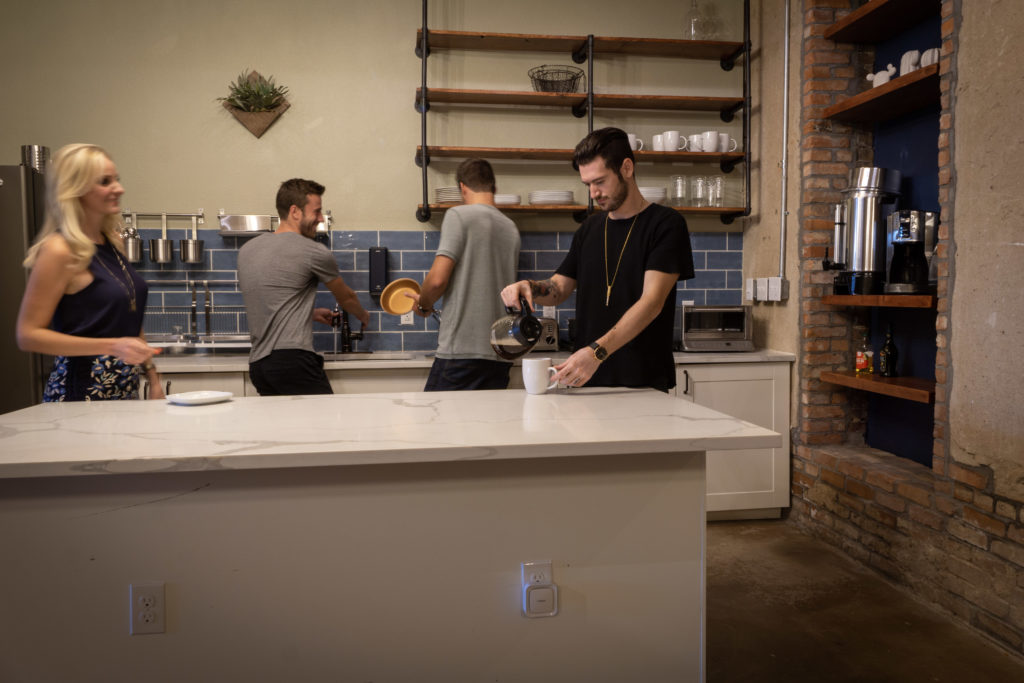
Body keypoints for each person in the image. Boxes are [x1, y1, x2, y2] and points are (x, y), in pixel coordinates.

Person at [501, 127, 694, 392]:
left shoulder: (666, 225)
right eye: (588, 185)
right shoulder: (589, 229)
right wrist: (529, 287)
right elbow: (558, 290)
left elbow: (651, 303)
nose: (593, 193)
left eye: (600, 181)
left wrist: (595, 354)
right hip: (587, 381)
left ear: (626, 168)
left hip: (643, 381)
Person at [16, 143, 164, 401]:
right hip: (80, 392)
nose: (119, 188)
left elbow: (131, 317)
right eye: (105, 182)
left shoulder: (114, 243)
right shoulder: (60, 249)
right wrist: (112, 345)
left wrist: (152, 378)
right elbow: (27, 336)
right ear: (76, 189)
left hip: (124, 389)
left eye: (116, 179)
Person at [238, 178, 370, 396]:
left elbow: (270, 301)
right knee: (327, 427)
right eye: (317, 212)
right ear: (295, 211)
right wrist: (363, 316)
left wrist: (309, 313)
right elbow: (346, 297)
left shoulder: (247, 250)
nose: (320, 219)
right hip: (293, 363)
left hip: (259, 366)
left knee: (285, 430)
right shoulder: (313, 251)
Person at [409, 158, 521, 391]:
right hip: (501, 352)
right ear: (494, 188)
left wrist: (423, 304)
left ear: (462, 187)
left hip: (461, 352)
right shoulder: (511, 228)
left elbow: (438, 280)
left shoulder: (458, 215)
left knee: (435, 423)